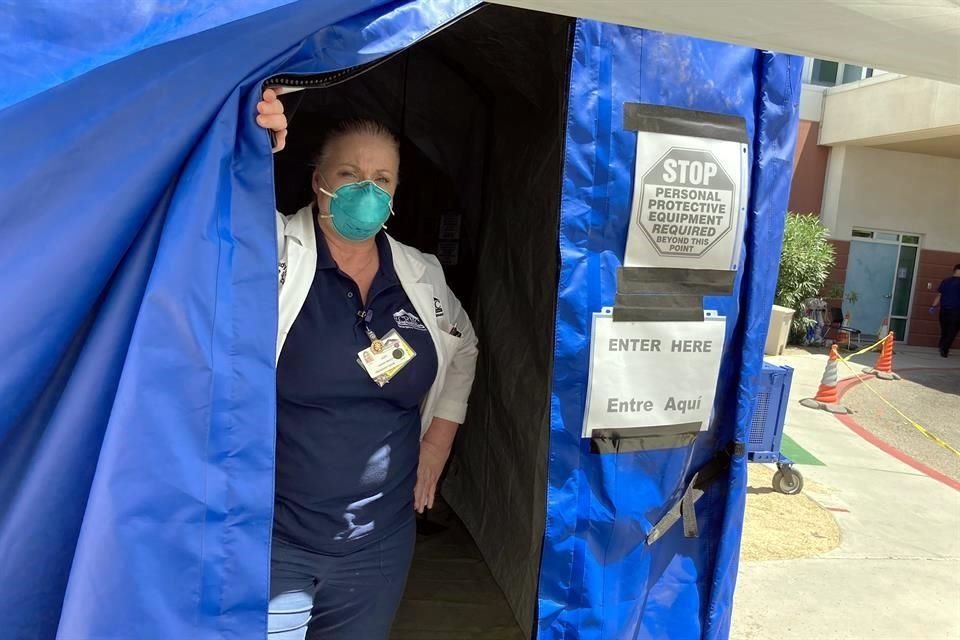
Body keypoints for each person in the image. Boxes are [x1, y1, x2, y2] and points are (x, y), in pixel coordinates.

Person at [255, 89, 479, 638]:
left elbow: (463, 347)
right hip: (273, 538)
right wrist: (248, 140)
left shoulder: (419, 274)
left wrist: (436, 445)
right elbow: (206, 212)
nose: (366, 189)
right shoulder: (268, 249)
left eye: (381, 179)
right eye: (350, 173)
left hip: (378, 547)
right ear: (318, 180)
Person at [931, 263, 960, 358]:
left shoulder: (945, 281)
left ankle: (942, 345)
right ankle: (944, 348)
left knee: (945, 330)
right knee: (952, 331)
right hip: (956, 312)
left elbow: (939, 295)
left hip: (944, 311)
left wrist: (933, 306)